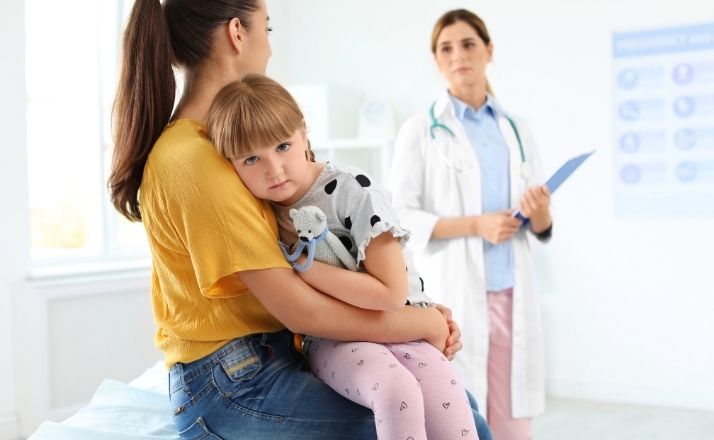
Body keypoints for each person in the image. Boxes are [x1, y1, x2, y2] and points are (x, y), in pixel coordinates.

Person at [109, 0, 492, 439]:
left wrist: (413, 312)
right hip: (232, 380)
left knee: (458, 404)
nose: (269, 47)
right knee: (445, 419)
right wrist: (419, 323)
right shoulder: (194, 159)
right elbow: (299, 306)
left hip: (276, 353)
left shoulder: (229, 146)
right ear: (238, 32)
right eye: (266, 28)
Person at [206, 74, 479, 440]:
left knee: (456, 414)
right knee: (396, 390)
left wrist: (304, 269)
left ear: (304, 133)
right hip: (334, 341)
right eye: (252, 158)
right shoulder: (258, 213)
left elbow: (390, 294)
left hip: (404, 323)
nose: (273, 170)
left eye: (283, 146)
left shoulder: (354, 190)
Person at [390, 9, 552, 440]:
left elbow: (541, 224)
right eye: (446, 48)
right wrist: (475, 225)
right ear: (436, 60)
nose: (458, 55)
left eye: (468, 44)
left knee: (515, 426)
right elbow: (400, 216)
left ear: (488, 51)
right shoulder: (421, 130)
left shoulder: (517, 129)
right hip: (457, 292)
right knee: (463, 418)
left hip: (513, 292)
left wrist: (540, 214)